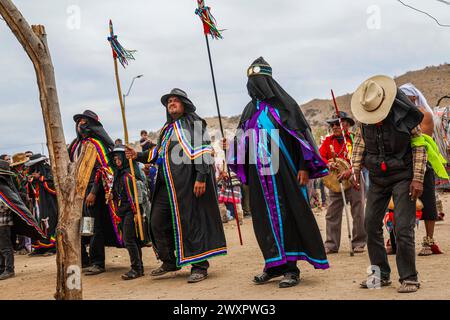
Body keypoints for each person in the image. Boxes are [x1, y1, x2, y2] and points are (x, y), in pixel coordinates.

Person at [223, 57, 329, 288]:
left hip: (284, 172)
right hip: (259, 177)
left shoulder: (285, 106)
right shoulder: (249, 110)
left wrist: (303, 166)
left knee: (287, 215)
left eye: (257, 80)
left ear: (268, 81)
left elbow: (301, 138)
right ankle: (272, 266)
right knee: (262, 219)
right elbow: (243, 141)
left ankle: (291, 269)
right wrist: (231, 148)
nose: (253, 85)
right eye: (250, 81)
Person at [126, 88, 227, 283]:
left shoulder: (195, 124)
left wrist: (201, 177)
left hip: (188, 184)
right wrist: (136, 155)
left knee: (192, 222)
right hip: (165, 186)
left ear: (184, 104)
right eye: (168, 101)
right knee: (156, 222)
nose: (171, 103)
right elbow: (157, 154)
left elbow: (204, 152)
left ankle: (199, 266)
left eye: (175, 100)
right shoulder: (166, 129)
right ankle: (169, 261)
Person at [351, 75, 426, 293]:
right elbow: (359, 142)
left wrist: (418, 178)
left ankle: (409, 277)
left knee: (403, 228)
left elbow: (419, 146)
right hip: (377, 177)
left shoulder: (403, 116)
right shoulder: (364, 119)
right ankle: (380, 275)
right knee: (370, 224)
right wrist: (355, 169)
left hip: (404, 176)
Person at [68, 110, 119, 275]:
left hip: (92, 192)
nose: (80, 125)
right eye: (79, 122)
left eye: (84, 122)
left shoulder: (96, 144)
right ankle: (84, 259)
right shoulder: (75, 145)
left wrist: (94, 192)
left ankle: (98, 262)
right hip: (76, 193)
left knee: (93, 226)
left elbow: (104, 169)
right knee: (80, 227)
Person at [400, 83, 446, 256]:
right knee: (396, 204)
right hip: (401, 164)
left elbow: (421, 140)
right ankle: (395, 239)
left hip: (422, 163)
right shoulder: (397, 114)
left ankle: (428, 241)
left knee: (427, 202)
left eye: (406, 96)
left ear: (413, 97)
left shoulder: (425, 114)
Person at [319, 111, 367, 254]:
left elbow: (362, 158)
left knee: (358, 211)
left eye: (337, 123)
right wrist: (328, 164)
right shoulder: (328, 142)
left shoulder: (354, 139)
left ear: (346, 124)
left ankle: (359, 242)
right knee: (332, 213)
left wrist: (351, 171)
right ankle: (331, 244)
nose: (334, 126)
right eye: (332, 124)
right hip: (336, 182)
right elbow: (320, 157)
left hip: (354, 180)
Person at [0, 160, 46, 280]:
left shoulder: (4, 188)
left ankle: (9, 269)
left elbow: (10, 204)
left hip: (3, 221)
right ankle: (1, 268)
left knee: (5, 246)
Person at [108, 145, 145, 280]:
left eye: (119, 159)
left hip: (132, 211)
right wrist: (113, 196)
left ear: (124, 159)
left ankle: (136, 269)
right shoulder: (119, 174)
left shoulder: (130, 174)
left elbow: (137, 195)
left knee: (129, 240)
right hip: (123, 210)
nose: (117, 161)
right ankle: (138, 267)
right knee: (130, 240)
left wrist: (137, 213)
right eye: (115, 159)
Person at [25, 154, 58, 255]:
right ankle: (39, 247)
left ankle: (52, 247)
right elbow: (31, 191)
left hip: (48, 204)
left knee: (49, 224)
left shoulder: (48, 170)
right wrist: (30, 181)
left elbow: (54, 187)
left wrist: (41, 178)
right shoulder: (31, 172)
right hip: (37, 204)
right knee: (38, 225)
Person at [10, 153, 31, 254]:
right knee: (20, 222)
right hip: (19, 201)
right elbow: (16, 189)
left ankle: (22, 245)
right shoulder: (13, 175)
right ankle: (20, 246)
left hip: (22, 200)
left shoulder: (19, 174)